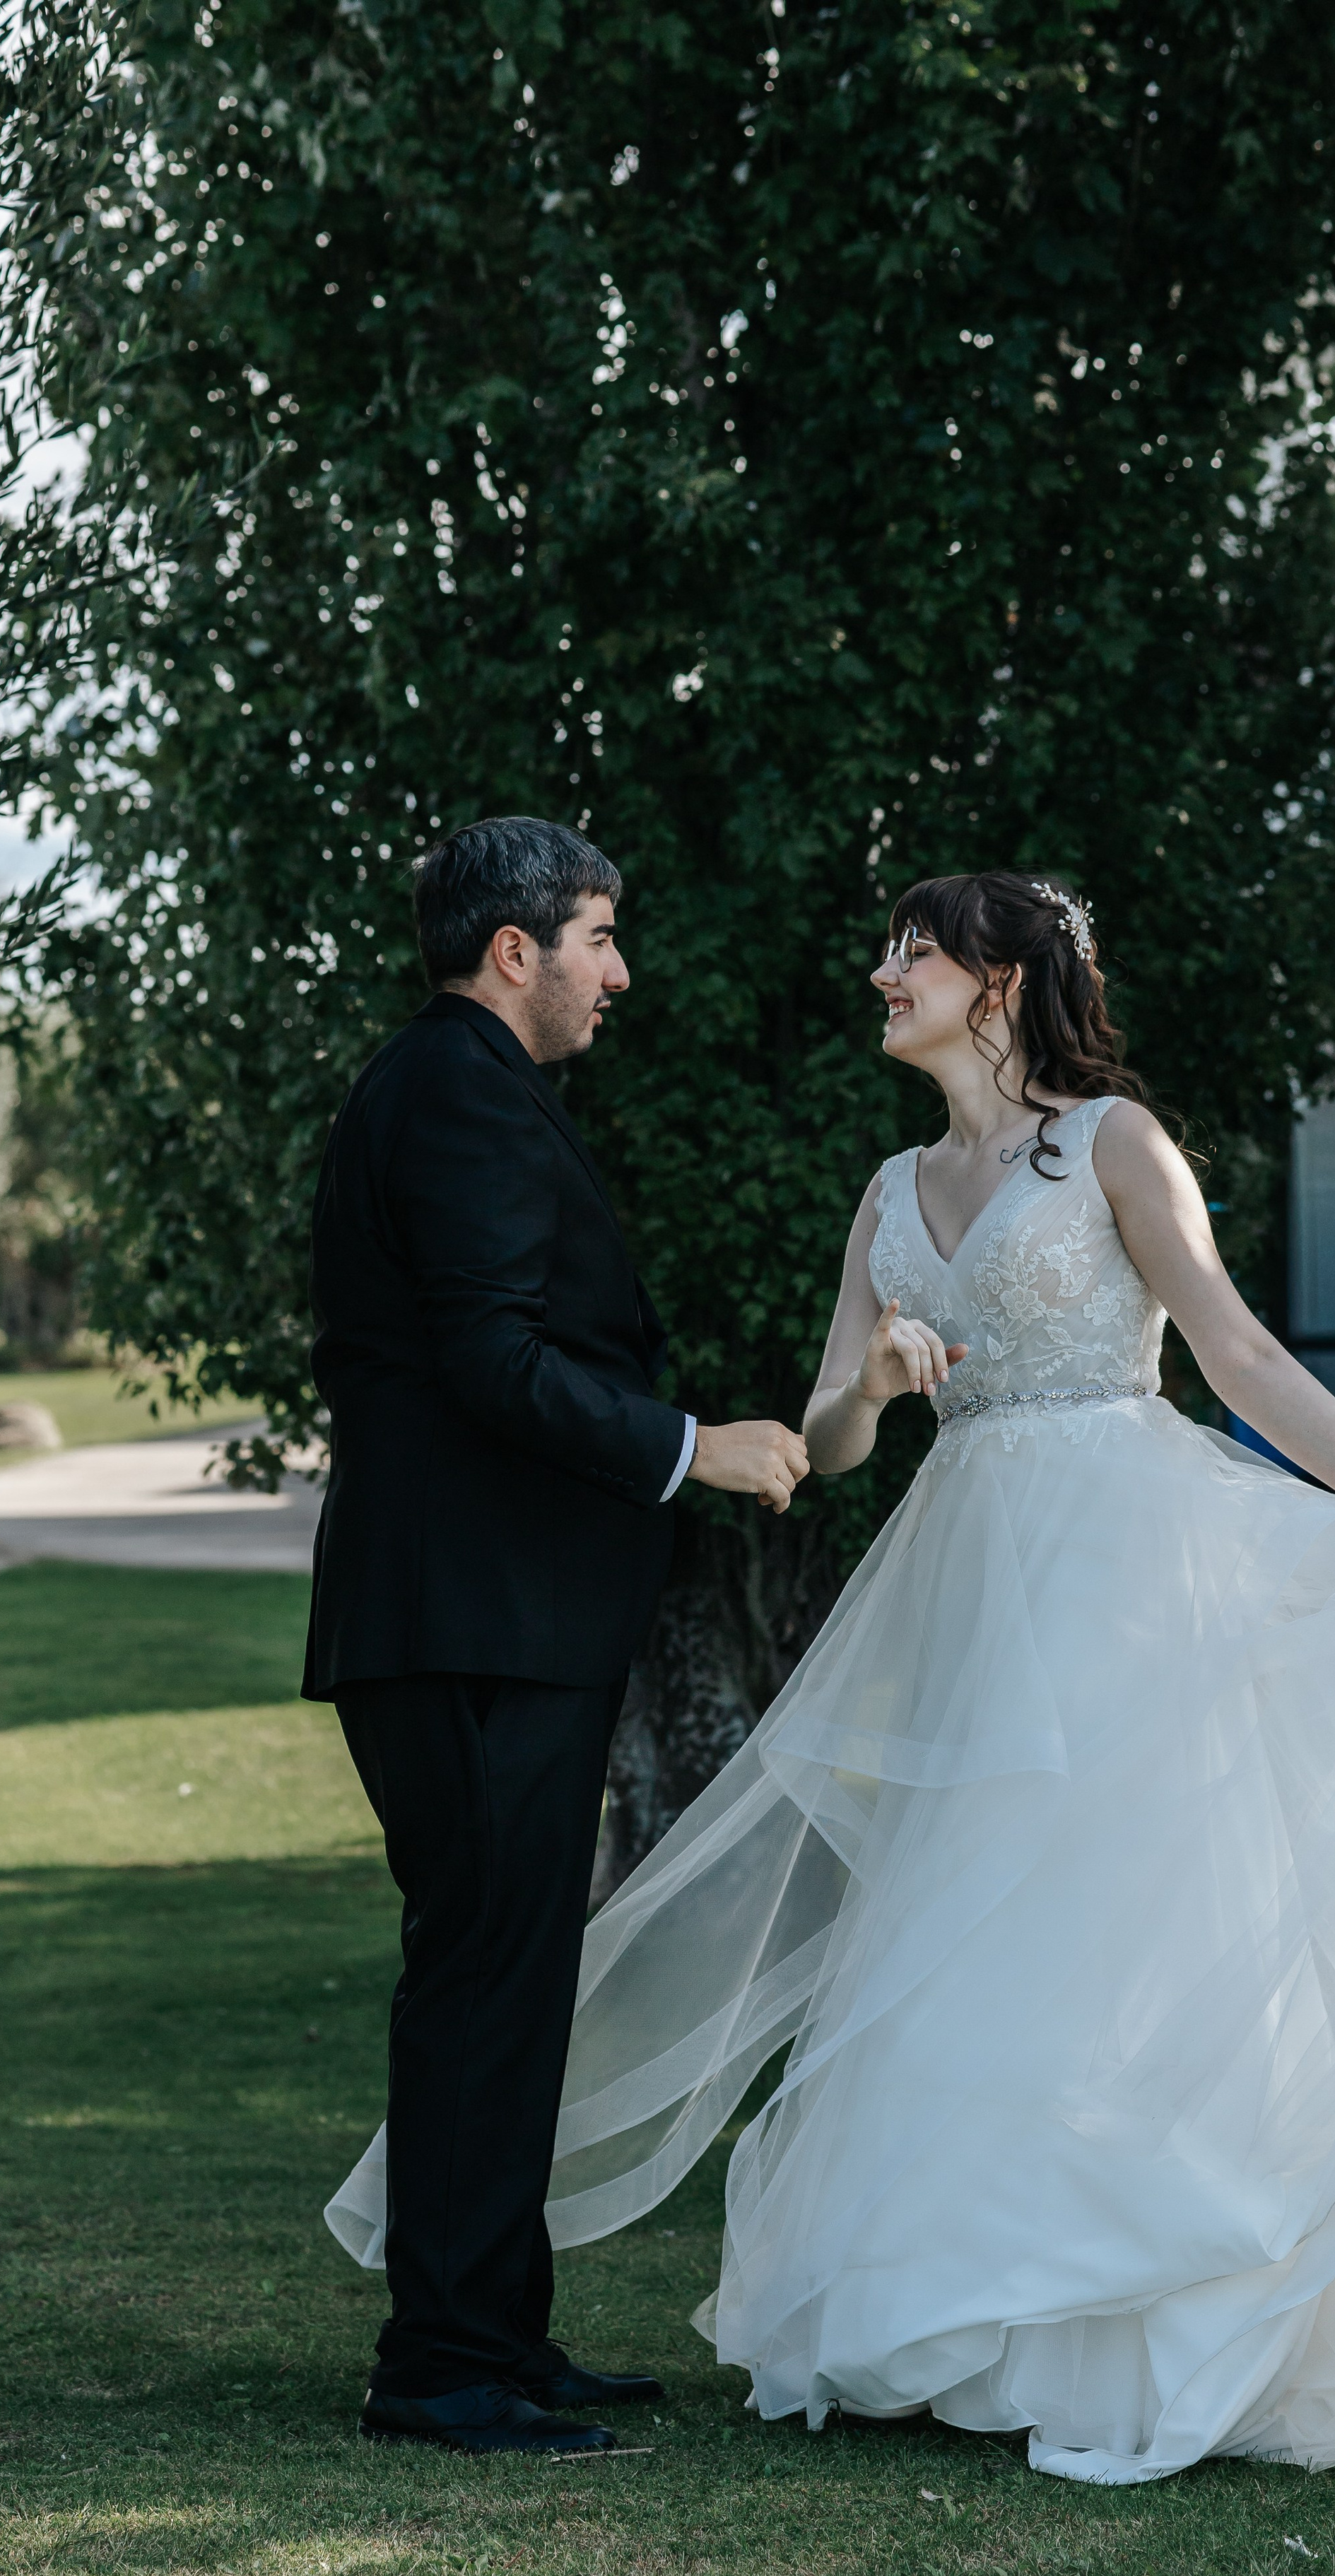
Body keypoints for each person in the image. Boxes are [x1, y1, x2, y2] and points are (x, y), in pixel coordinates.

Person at [327, 866, 1335, 2485]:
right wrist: (868, 1389)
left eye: (913, 954)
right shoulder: (887, 1189)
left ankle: (1150, 2304)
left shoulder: (1113, 1147)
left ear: (998, 986)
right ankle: (962, 2321)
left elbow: (1233, 1351)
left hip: (1124, 1563)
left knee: (1132, 1918)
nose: (884, 975)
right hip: (964, 1574)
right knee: (967, 1921)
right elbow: (827, 1437)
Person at [309, 816, 807, 2457]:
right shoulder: (454, 1088)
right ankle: (443, 2366)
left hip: (483, 1615)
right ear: (511, 950)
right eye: (597, 937)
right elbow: (491, 1363)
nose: (618, 971)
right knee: (483, 1975)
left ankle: (492, 2337)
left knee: (505, 1976)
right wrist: (693, 1447)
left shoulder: (455, 1087)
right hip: (475, 1620)